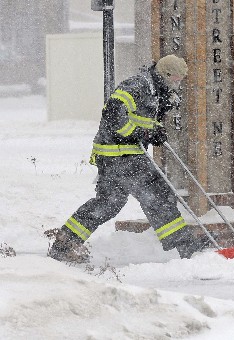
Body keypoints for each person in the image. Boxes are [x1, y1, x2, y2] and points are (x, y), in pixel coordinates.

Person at [47, 54, 210, 263]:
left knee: (109, 203)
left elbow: (141, 118)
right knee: (157, 195)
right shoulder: (137, 85)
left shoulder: (156, 90)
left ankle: (65, 242)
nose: (177, 85)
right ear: (165, 75)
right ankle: (183, 246)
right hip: (121, 153)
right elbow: (114, 114)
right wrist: (142, 134)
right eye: (176, 80)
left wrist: (155, 130)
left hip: (117, 154)